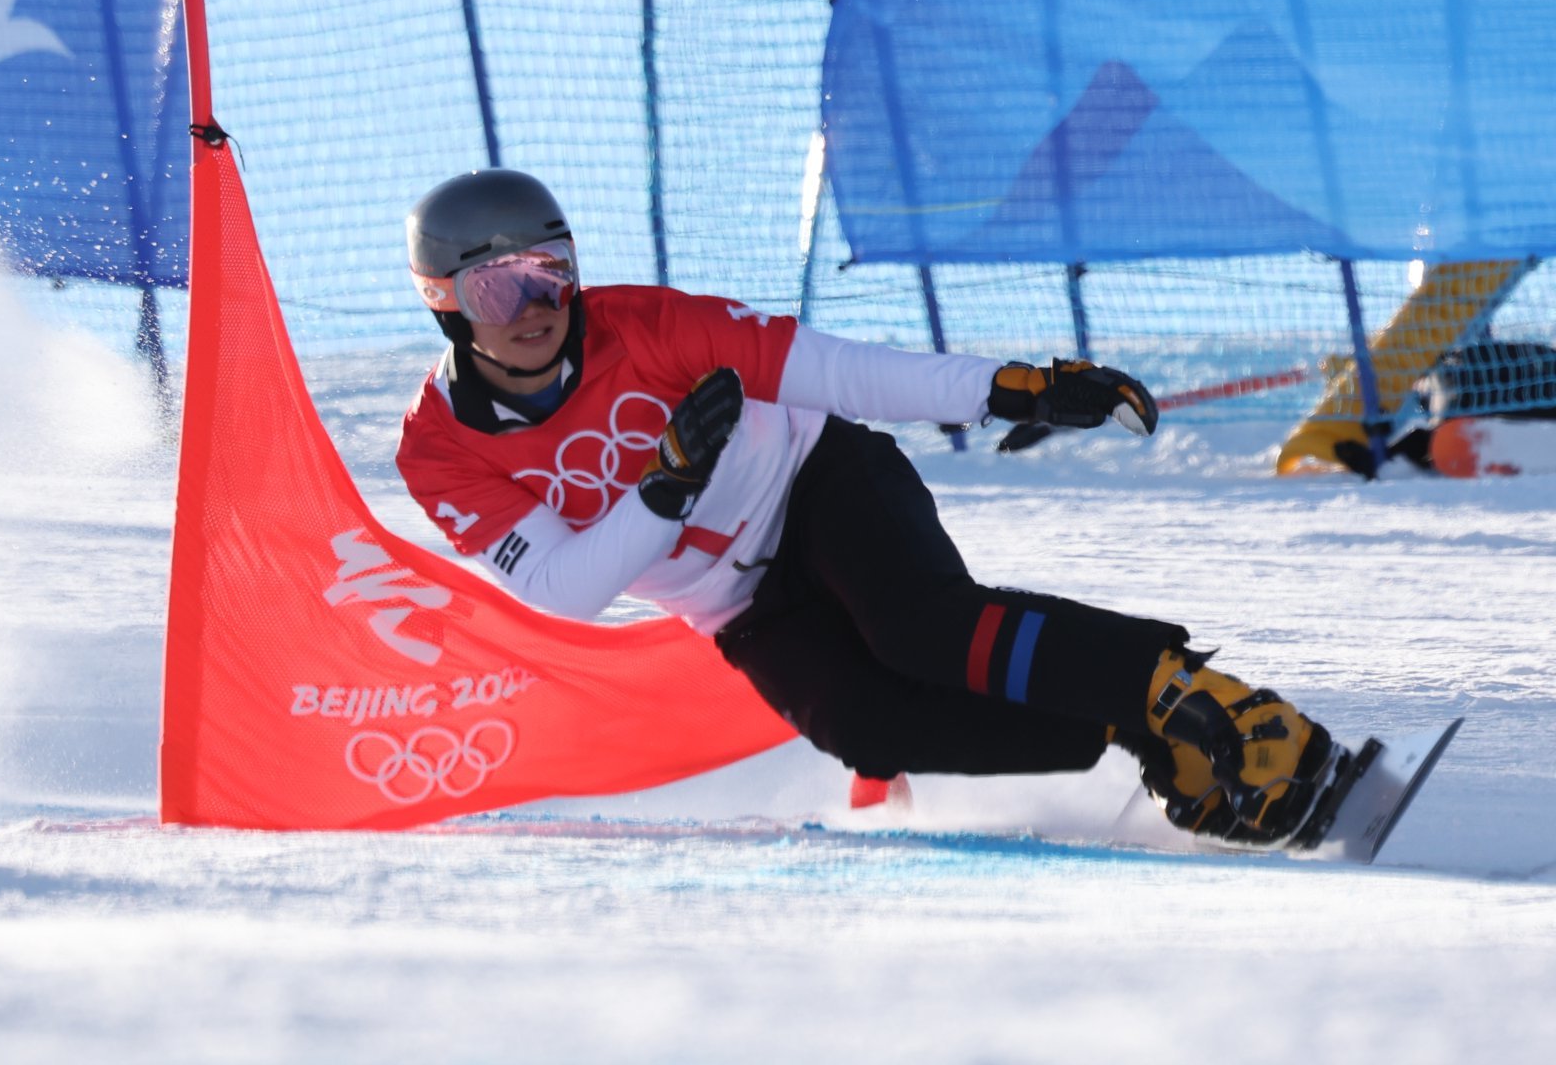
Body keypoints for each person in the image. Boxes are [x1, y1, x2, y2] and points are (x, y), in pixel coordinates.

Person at [396, 168, 1341, 847]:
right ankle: (1138, 724)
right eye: (498, 285)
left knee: (921, 629)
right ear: (445, 301)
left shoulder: (651, 326)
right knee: (866, 726)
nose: (537, 303)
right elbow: (566, 587)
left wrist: (1010, 388)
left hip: (818, 482)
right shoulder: (438, 447)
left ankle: (1191, 693)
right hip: (737, 602)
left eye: (553, 269)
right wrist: (665, 487)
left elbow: (841, 370)